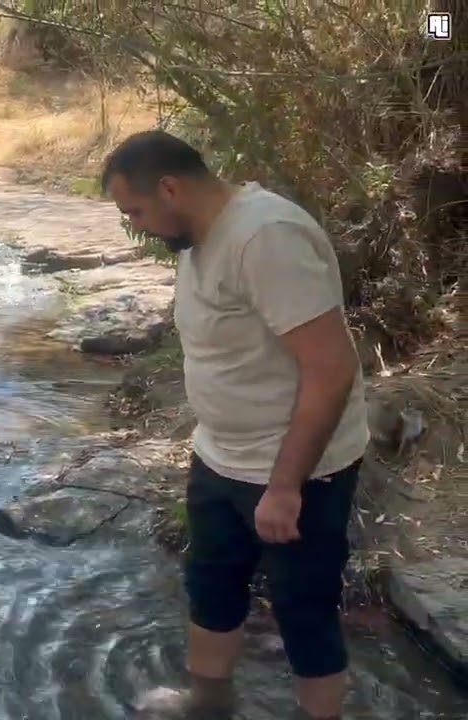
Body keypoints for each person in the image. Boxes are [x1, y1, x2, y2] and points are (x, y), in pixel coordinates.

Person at [102, 130, 369, 720]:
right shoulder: (196, 237)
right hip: (220, 457)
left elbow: (331, 368)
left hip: (297, 470)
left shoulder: (266, 237)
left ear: (170, 189)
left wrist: (285, 487)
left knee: (304, 608)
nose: (135, 225)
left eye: (135, 211)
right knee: (211, 585)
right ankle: (207, 704)